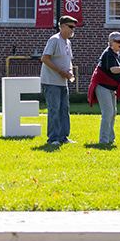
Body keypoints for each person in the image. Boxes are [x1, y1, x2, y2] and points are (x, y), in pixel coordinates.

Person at [87, 32, 120, 145]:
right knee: (107, 112)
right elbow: (113, 69)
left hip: (111, 86)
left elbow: (119, 68)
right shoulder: (108, 54)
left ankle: (110, 139)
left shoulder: (117, 54)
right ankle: (103, 140)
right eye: (119, 41)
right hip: (102, 85)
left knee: (113, 112)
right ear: (111, 43)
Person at [40, 15, 76, 145]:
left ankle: (63, 137)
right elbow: (45, 58)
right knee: (54, 109)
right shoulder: (54, 40)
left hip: (63, 81)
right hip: (51, 81)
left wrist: (69, 71)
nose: (73, 30)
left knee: (64, 109)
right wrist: (60, 71)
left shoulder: (68, 42)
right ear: (63, 26)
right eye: (71, 27)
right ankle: (53, 139)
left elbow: (69, 60)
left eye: (74, 27)